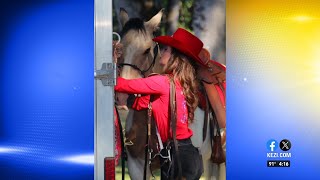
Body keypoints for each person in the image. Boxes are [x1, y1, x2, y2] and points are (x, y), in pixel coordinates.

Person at [115, 28, 204, 180]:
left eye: (166, 49)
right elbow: (140, 105)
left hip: (176, 158)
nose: (161, 52)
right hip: (188, 156)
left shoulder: (162, 82)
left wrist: (111, 61)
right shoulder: (182, 84)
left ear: (176, 56)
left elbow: (121, 85)